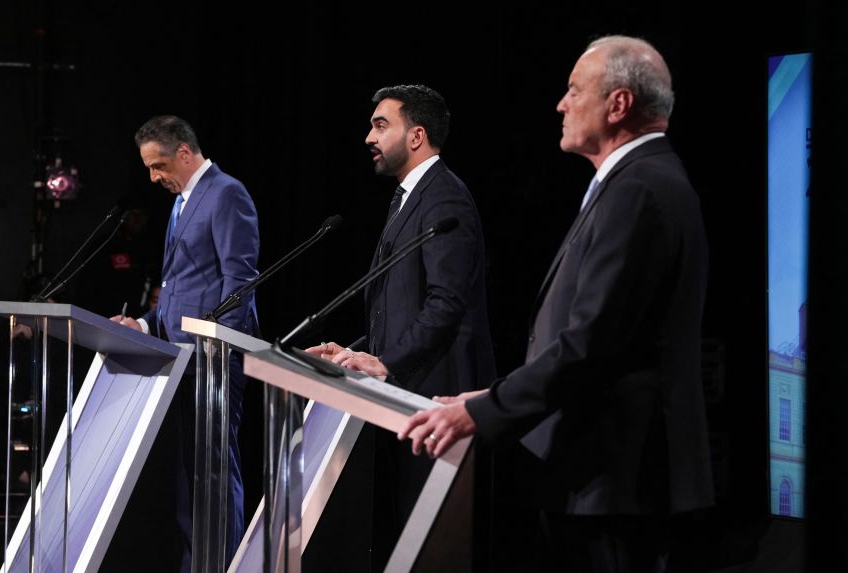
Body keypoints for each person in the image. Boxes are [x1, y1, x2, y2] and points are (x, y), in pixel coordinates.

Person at [399, 36, 714, 572]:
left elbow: (589, 345)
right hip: (605, 480)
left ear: (618, 105)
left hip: (616, 483)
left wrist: (480, 411)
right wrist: (490, 393)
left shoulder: (639, 189)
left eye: (574, 90)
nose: (561, 104)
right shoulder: (638, 181)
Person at [306, 84, 496, 566]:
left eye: (380, 124)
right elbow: (400, 308)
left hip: (439, 398)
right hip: (408, 398)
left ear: (416, 135)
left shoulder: (443, 199)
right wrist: (350, 352)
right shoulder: (408, 199)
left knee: (433, 549)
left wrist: (386, 362)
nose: (369, 136)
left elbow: (445, 304)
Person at [111, 115, 259, 569]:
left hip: (212, 361)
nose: (155, 177)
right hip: (180, 360)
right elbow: (181, 287)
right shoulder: (182, 203)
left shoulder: (226, 193)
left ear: (184, 152)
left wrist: (219, 346)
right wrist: (144, 324)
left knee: (214, 472)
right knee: (189, 476)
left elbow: (240, 280)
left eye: (158, 166)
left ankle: (223, 562)